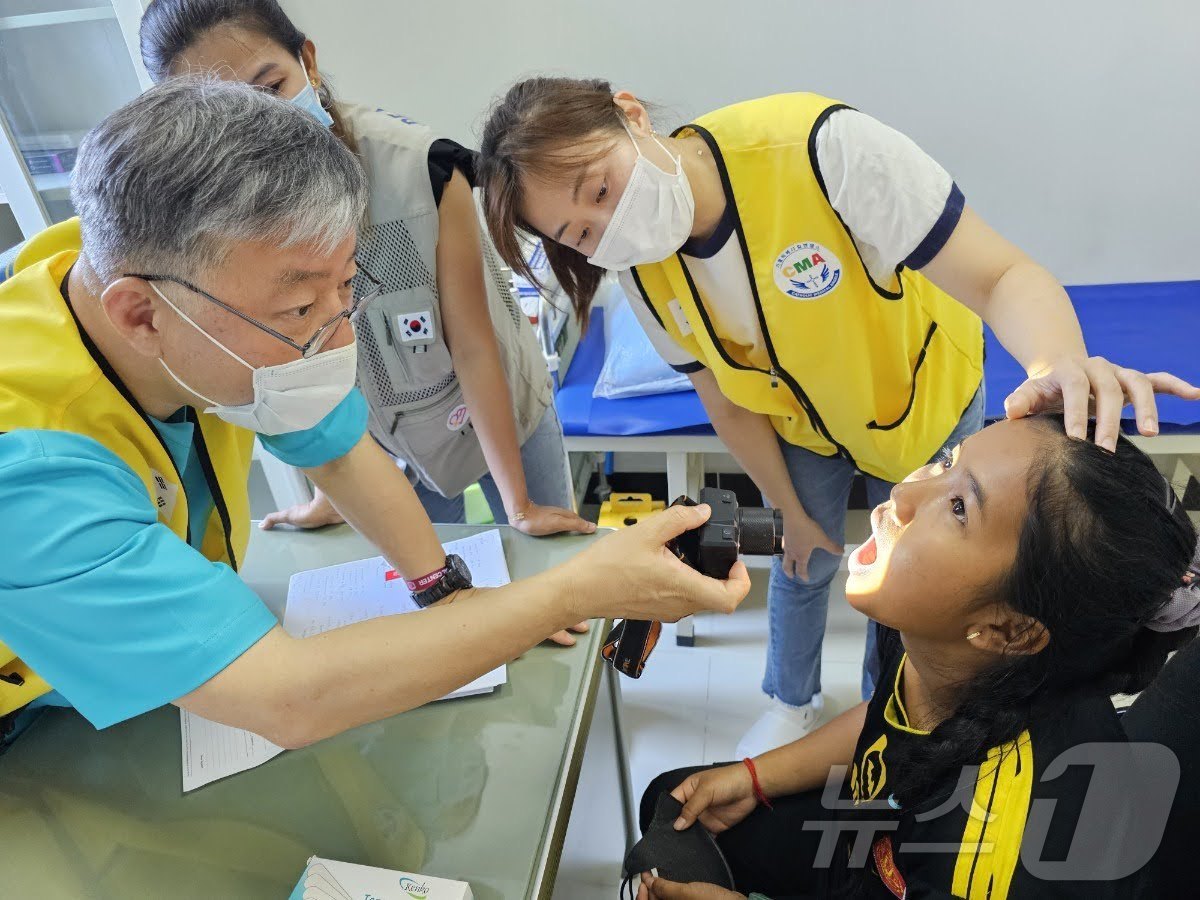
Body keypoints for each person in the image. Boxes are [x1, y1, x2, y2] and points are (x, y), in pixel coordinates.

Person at [0, 77, 749, 751]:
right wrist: (580, 587)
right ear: (140, 314)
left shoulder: (125, 267)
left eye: (344, 292)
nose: (339, 339)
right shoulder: (29, 475)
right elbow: (285, 698)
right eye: (300, 308)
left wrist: (444, 592)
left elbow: (336, 449)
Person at [475, 77, 1200, 754]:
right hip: (804, 430)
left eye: (601, 188)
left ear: (631, 114)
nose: (610, 227)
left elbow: (1001, 275)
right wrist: (789, 508)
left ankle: (880, 722)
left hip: (922, 413)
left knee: (911, 593)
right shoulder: (643, 268)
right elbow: (723, 398)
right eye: (580, 235)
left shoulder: (822, 152)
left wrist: (1055, 367)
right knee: (804, 559)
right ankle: (790, 703)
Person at [634, 415, 1199, 899]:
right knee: (674, 797)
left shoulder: (994, 855)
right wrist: (753, 776)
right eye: (948, 460)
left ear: (1009, 628)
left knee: (660, 856)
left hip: (923, 848)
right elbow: (889, 715)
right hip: (878, 828)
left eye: (957, 508)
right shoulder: (944, 636)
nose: (902, 494)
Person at [139, 0, 594, 567]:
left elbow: (475, 348)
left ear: (306, 58)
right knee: (442, 589)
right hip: (390, 442)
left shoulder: (422, 169)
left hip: (501, 409)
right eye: (224, 112)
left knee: (551, 570)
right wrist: (332, 489)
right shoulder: (228, 218)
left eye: (270, 86)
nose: (258, 126)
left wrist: (520, 503)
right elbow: (305, 356)